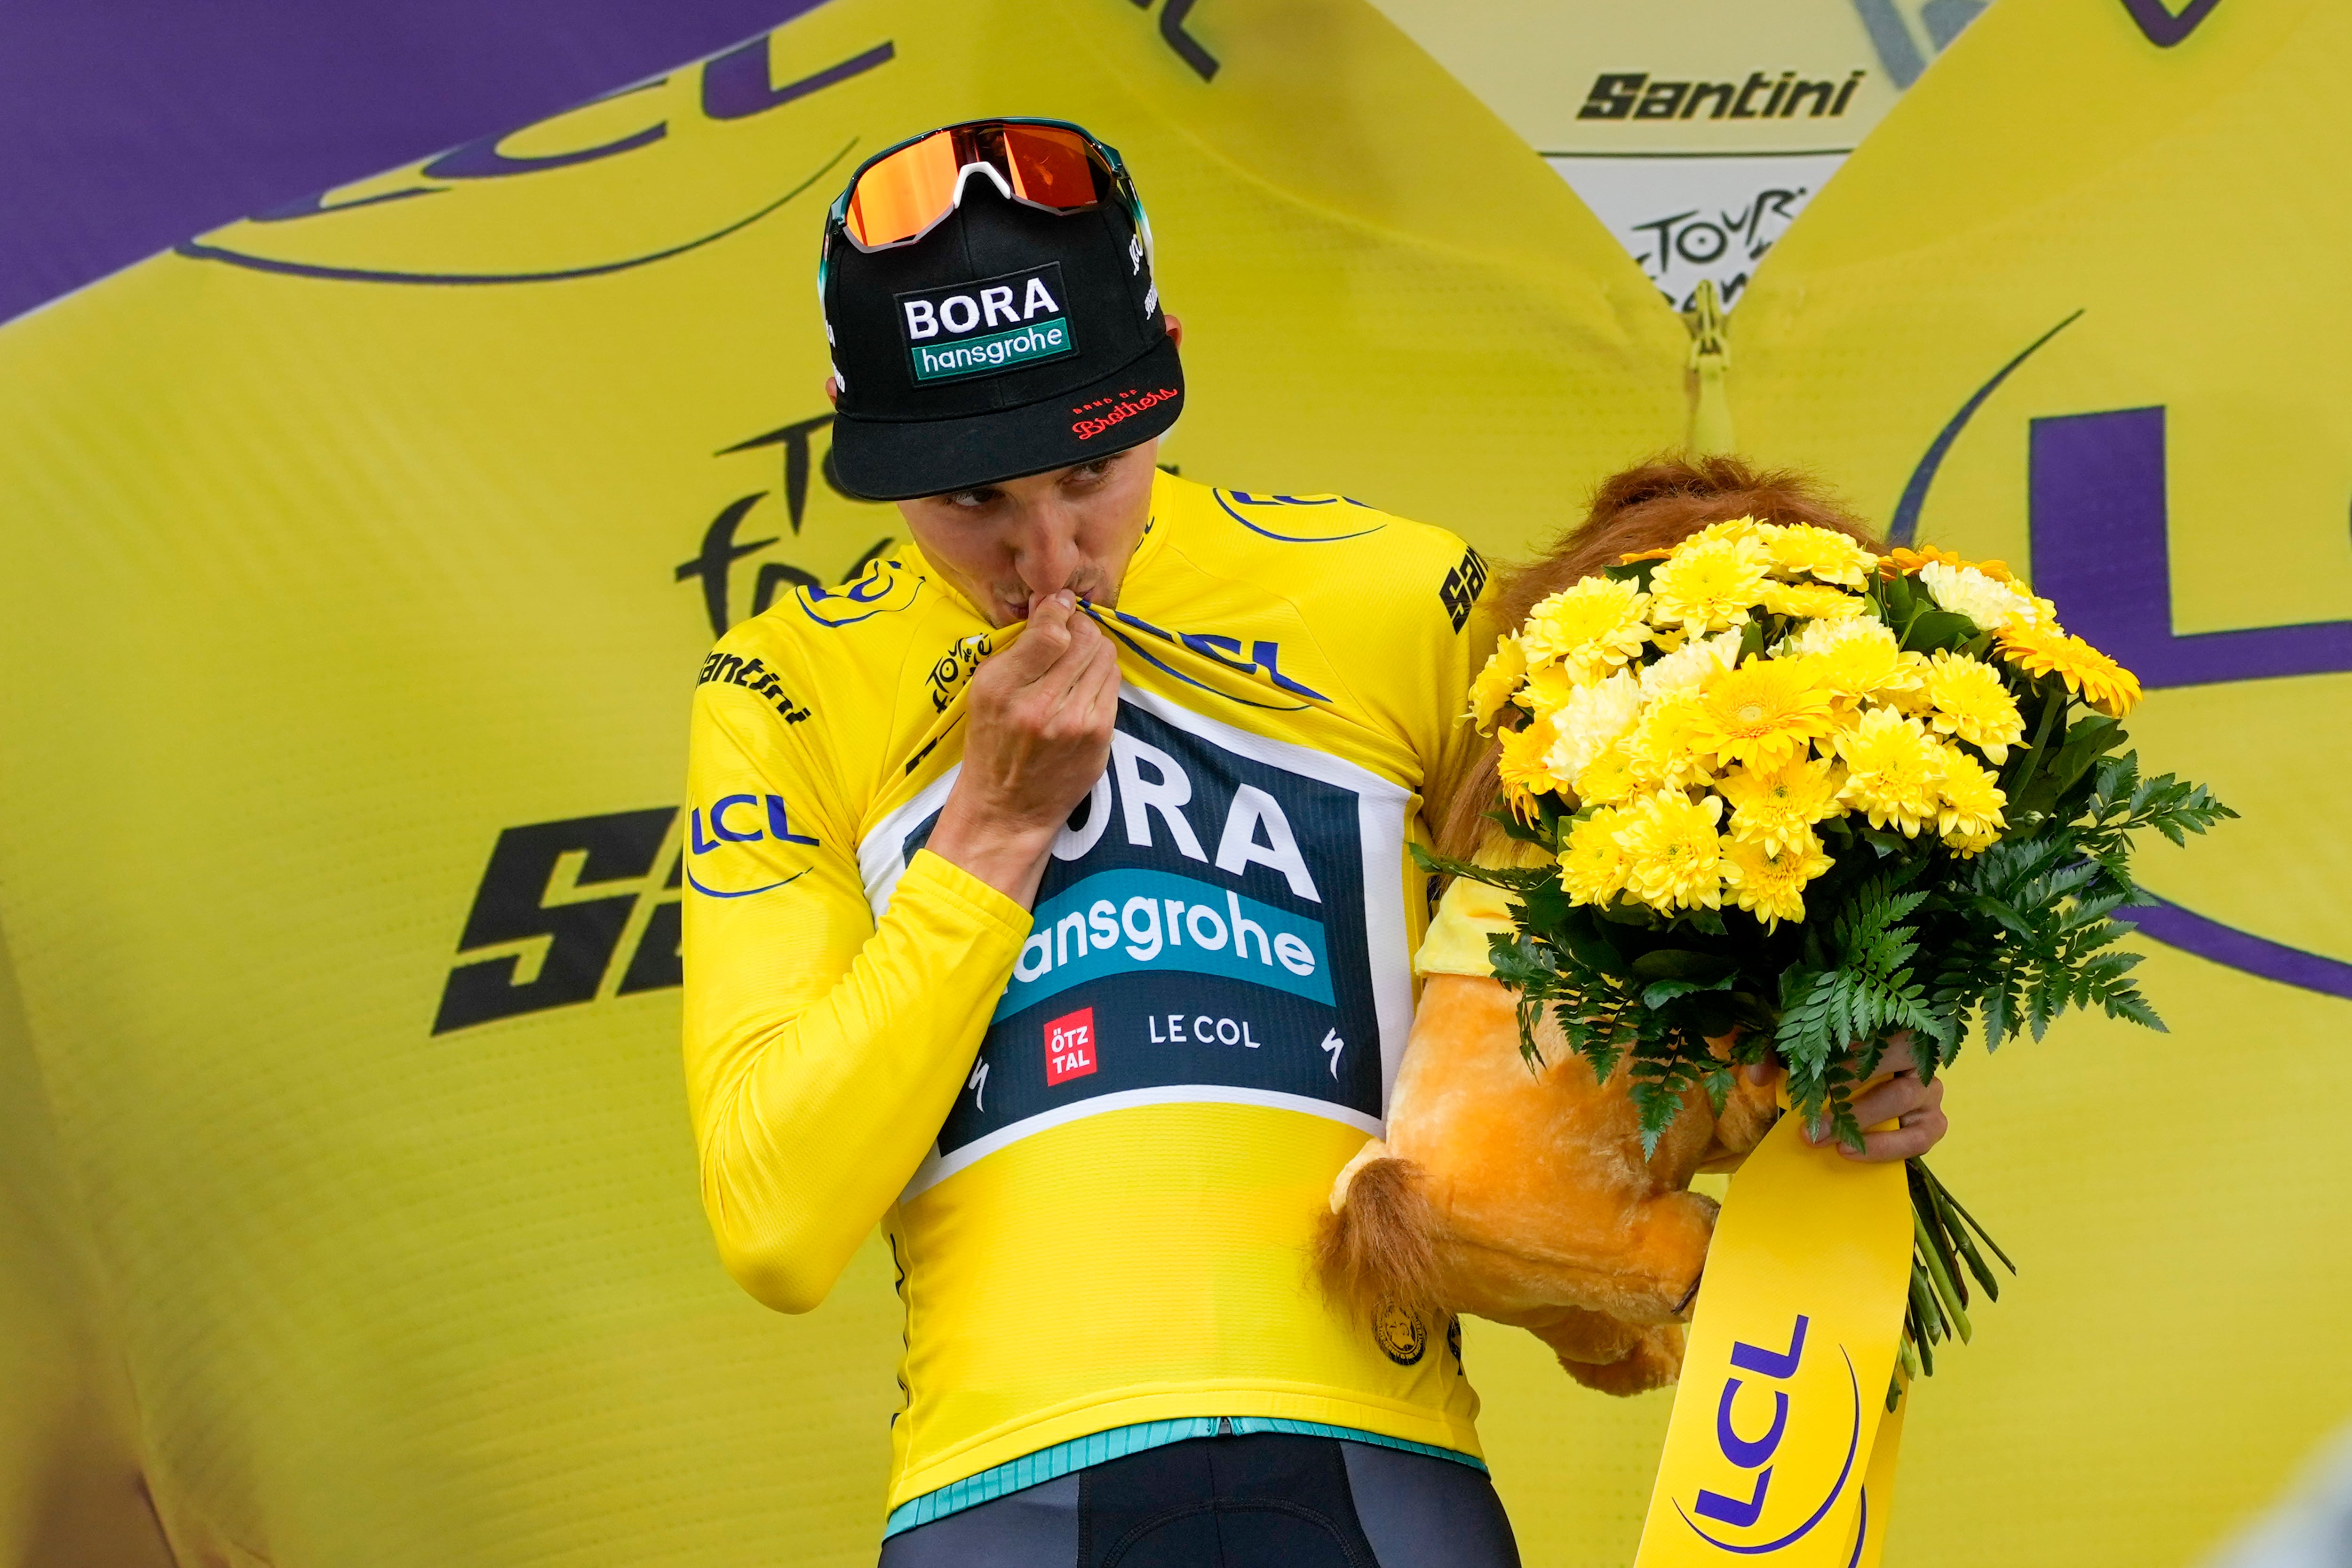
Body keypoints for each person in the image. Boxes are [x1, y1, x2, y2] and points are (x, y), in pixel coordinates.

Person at [680, 118, 1946, 1567]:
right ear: (860, 434)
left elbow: (1568, 1054)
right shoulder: (782, 687)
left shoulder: (1403, 598)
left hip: (1375, 1459)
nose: (1047, 564)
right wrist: (992, 834)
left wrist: (1806, 1083)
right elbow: (777, 1222)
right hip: (996, 1489)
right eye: (972, 501)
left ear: (1163, 373)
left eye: (1090, 472)